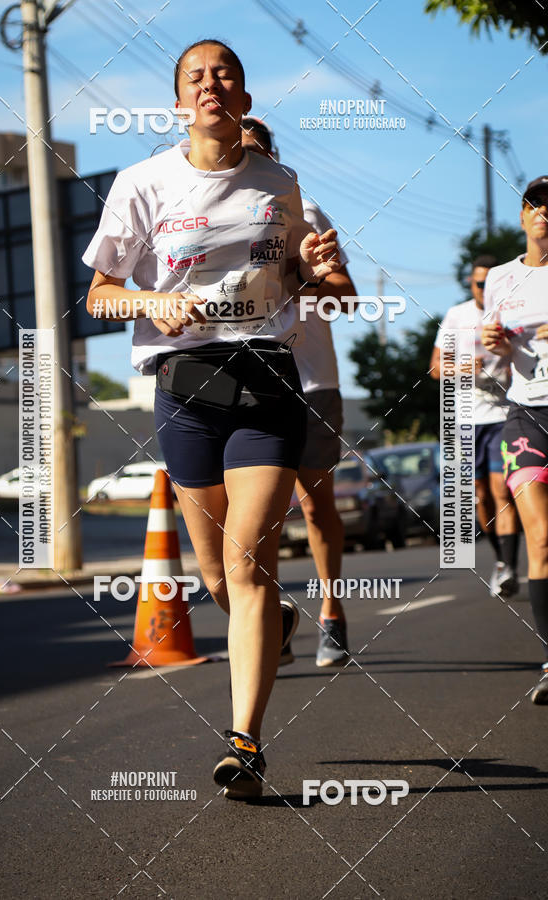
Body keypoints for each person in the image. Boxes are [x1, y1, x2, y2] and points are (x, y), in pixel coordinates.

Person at [83, 39, 341, 797]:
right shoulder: (143, 182)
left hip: (265, 376)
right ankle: (282, 625)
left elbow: (292, 275)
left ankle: (246, 745)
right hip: (184, 382)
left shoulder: (278, 182)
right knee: (214, 576)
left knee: (245, 564)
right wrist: (153, 300)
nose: (210, 84)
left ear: (245, 99)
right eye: (195, 76)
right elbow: (100, 293)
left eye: (224, 73)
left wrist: (312, 264)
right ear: (177, 104)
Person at [241, 117, 358, 666]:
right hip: (241, 383)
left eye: (255, 150)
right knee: (252, 520)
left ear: (273, 157)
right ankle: (272, 619)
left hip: (309, 378)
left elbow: (346, 300)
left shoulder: (306, 214)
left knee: (314, 507)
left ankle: (331, 613)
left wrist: (300, 273)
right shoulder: (197, 214)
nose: (243, 158)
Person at [481, 175, 548, 705]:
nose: (544, 212)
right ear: (523, 215)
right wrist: (492, 343)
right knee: (541, 538)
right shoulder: (502, 279)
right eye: (536, 204)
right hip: (525, 414)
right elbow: (491, 361)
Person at [430, 256, 520, 596]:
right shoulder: (457, 315)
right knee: (480, 496)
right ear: (470, 284)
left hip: (502, 415)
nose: (482, 289)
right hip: (463, 419)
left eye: (487, 283)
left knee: (501, 492)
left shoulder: (511, 312)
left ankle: (510, 566)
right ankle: (500, 559)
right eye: (477, 283)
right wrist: (466, 365)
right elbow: (436, 368)